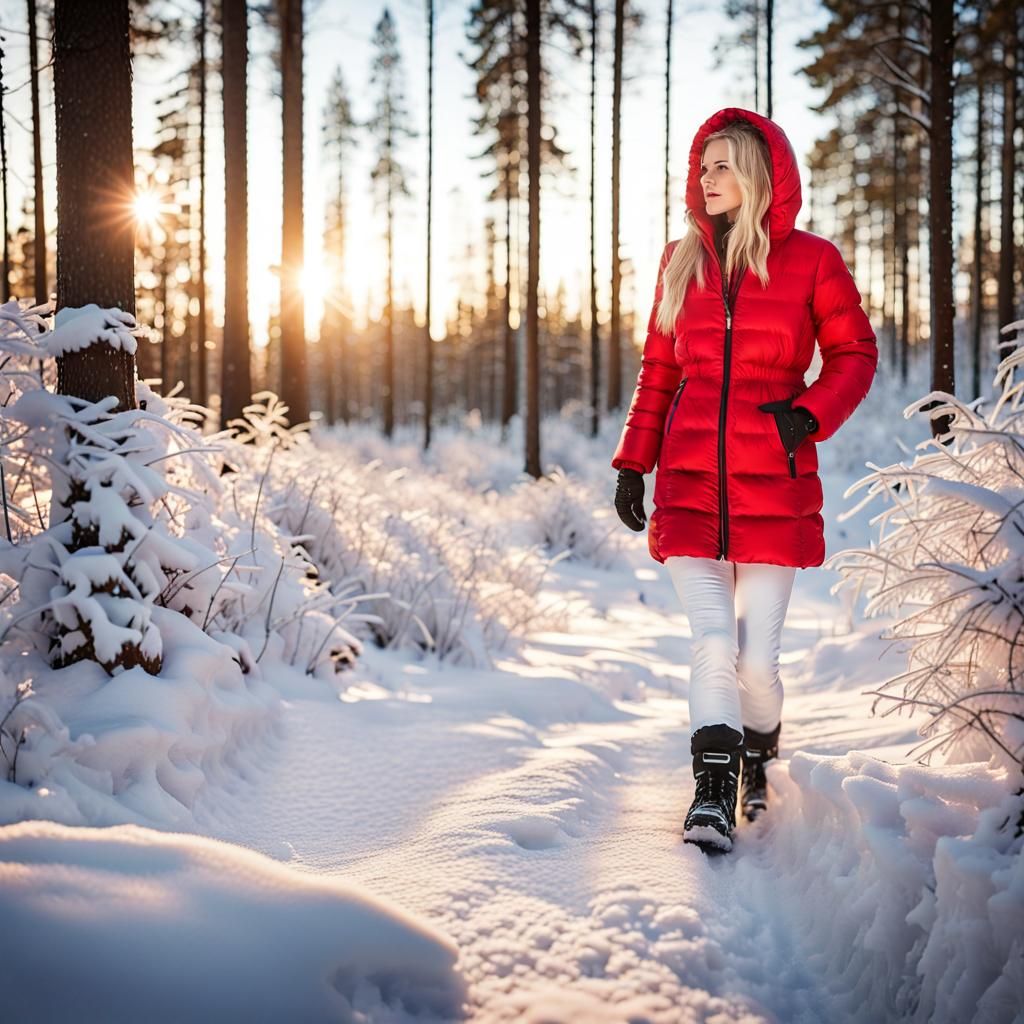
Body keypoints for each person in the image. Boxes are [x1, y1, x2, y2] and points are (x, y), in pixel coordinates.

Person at [611, 108, 878, 851]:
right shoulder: (681, 260)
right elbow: (660, 370)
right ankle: (711, 794)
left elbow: (855, 353)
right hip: (689, 486)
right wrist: (635, 461)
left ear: (759, 175)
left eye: (723, 164)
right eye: (702, 167)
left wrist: (808, 415)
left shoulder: (812, 261)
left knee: (757, 660)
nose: (708, 178)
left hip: (774, 487)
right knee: (709, 644)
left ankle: (760, 749)